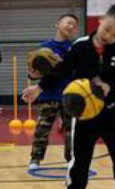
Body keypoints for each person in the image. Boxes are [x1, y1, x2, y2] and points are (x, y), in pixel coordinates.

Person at [23, 3, 115, 189]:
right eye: (107, 29)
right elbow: (62, 70)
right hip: (85, 114)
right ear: (100, 20)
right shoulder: (80, 46)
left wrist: (112, 86)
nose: (109, 36)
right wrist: (39, 87)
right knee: (79, 157)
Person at [28, 14, 79, 170]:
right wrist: (33, 75)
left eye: (74, 25)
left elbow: (76, 72)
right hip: (49, 95)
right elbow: (34, 72)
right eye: (68, 22)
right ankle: (35, 159)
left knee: (72, 130)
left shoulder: (74, 48)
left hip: (69, 95)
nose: (71, 26)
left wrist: (62, 64)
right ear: (57, 24)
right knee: (42, 128)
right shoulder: (44, 47)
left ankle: (71, 159)